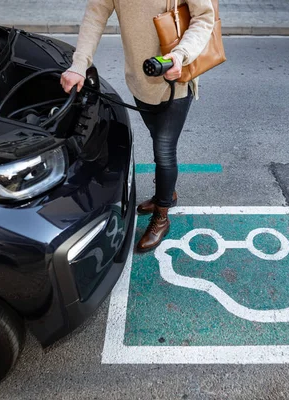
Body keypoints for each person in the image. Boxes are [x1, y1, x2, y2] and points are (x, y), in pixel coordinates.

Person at [61, 0, 214, 252]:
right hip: (139, 81)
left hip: (175, 79)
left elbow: (203, 18)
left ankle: (162, 216)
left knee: (164, 151)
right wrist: (80, 63)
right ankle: (167, 194)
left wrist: (180, 54)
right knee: (157, 138)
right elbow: (95, 16)